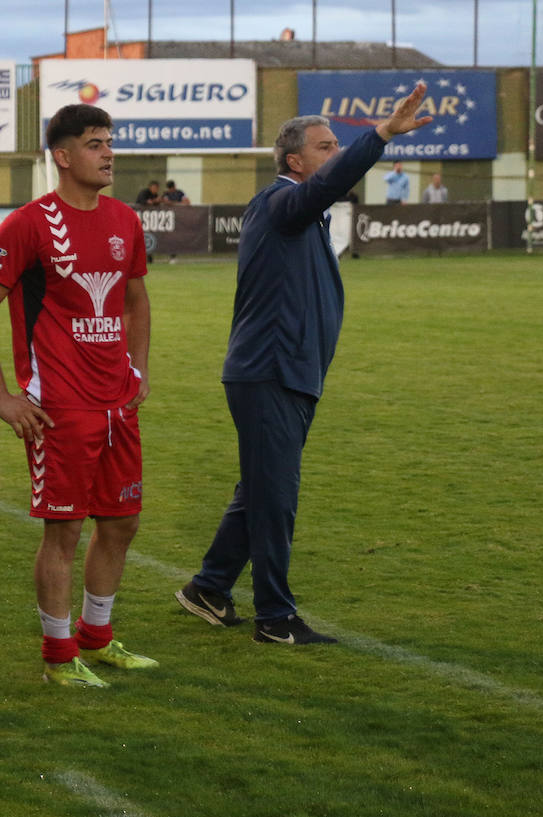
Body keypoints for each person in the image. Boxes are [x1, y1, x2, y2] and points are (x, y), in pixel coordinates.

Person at [174, 83, 433, 645]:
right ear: (296, 161)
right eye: (325, 146)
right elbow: (334, 182)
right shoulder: (281, 202)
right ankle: (275, 617)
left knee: (261, 491)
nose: (335, 154)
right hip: (270, 372)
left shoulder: (302, 215)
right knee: (275, 498)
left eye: (338, 143)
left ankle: (210, 588)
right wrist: (381, 134)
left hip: (286, 373)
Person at [0, 103, 157, 689]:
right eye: (96, 143)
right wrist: (1, 393)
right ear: (64, 155)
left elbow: (135, 300)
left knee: (122, 521)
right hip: (59, 405)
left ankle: (97, 639)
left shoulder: (125, 219)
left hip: (115, 399)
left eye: (110, 143)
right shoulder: (28, 224)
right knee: (65, 530)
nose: (109, 154)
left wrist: (140, 369)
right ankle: (58, 656)